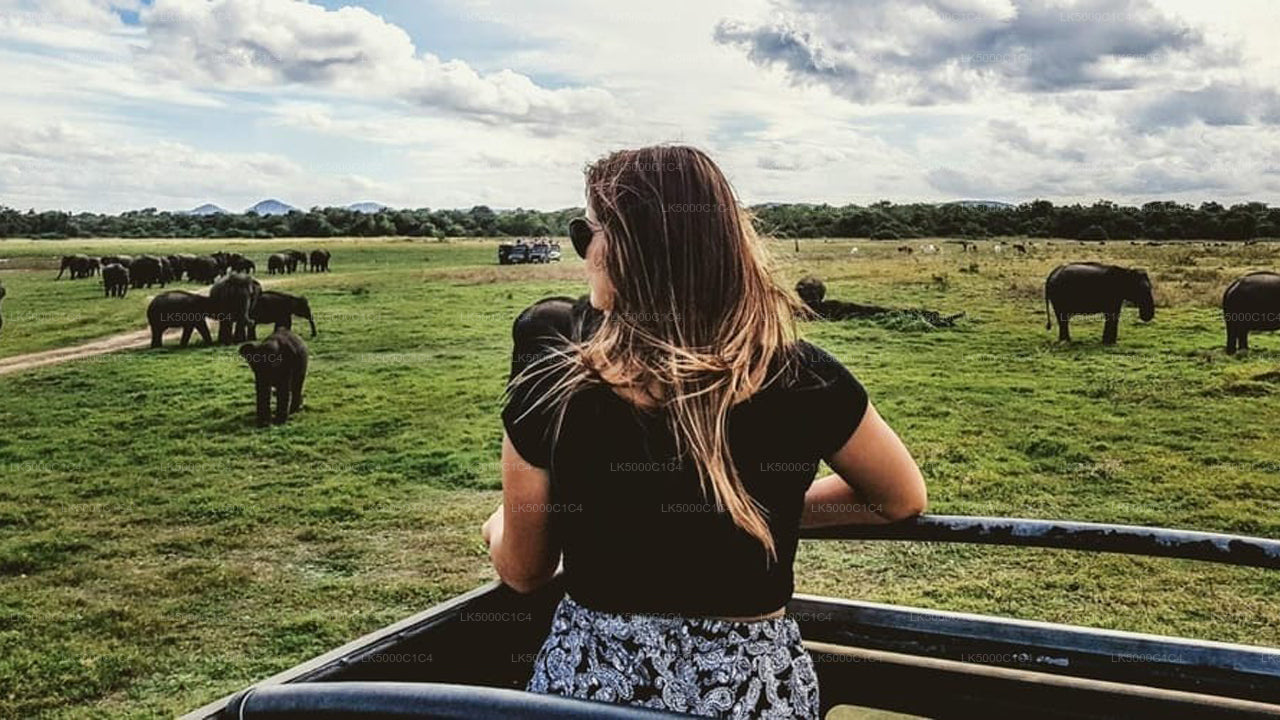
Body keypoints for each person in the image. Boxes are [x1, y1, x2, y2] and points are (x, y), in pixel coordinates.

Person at [482, 145, 927, 718]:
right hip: (752, 695)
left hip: (590, 691)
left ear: (629, 248)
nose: (584, 252)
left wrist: (498, 524)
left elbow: (524, 571)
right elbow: (900, 498)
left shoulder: (554, 385)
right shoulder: (803, 375)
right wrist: (756, 510)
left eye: (585, 233)